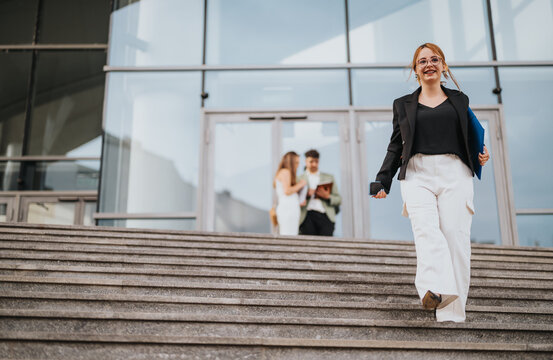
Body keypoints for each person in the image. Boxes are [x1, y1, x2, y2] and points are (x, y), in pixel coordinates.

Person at [370, 43, 490, 322]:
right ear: (416, 70)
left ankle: (452, 314)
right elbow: (395, 145)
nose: (429, 64)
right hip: (417, 172)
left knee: (455, 239)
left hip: (455, 172)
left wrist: (480, 155)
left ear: (444, 66)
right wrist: (382, 181)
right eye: (422, 61)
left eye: (434, 59)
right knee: (426, 231)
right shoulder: (403, 104)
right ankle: (432, 289)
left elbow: (469, 135)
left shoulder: (460, 100)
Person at [298, 149, 342, 236]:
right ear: (306, 161)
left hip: (325, 216)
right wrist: (306, 194)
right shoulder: (299, 179)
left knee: (326, 245)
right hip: (306, 216)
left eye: (316, 161)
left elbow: (339, 199)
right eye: (311, 161)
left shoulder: (329, 177)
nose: (314, 164)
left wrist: (327, 196)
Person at [274, 151, 307, 235]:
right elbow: (287, 191)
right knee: (288, 234)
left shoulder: (283, 172)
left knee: (290, 233)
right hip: (288, 209)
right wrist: (301, 184)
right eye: (296, 162)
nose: (298, 165)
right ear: (291, 162)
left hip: (290, 207)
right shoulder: (285, 172)